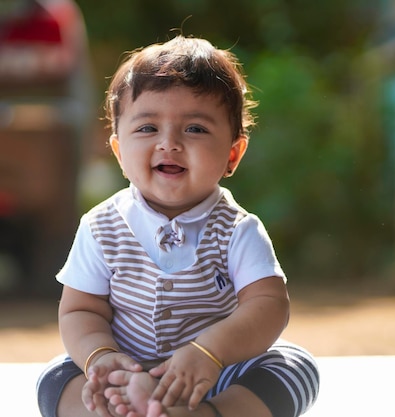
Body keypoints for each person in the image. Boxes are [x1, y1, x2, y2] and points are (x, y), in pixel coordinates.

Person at [36, 35, 320, 417]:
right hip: (126, 368)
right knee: (56, 375)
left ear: (232, 153)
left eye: (195, 129)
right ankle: (123, 408)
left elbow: (268, 306)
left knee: (293, 366)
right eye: (147, 128)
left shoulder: (237, 229)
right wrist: (101, 357)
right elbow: (80, 310)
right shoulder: (101, 226)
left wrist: (210, 352)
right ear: (119, 152)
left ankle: (207, 413)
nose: (168, 143)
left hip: (214, 374)